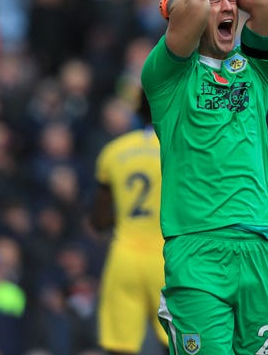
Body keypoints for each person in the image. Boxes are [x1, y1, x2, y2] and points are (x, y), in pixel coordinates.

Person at [141, 0, 268, 355]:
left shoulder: (254, 68)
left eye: (231, 2)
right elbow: (190, 5)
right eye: (213, 1)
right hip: (197, 249)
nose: (226, 8)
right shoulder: (167, 75)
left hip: (258, 244)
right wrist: (186, 1)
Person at [90, 95, 168, 355]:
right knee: (181, 342)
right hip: (167, 257)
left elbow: (99, 220)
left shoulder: (114, 150)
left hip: (123, 256)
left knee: (120, 347)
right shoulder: (179, 148)